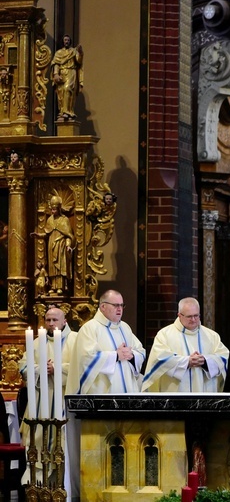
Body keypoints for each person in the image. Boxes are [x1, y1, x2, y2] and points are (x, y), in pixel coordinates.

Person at [19, 306, 78, 482]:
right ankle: (38, 486)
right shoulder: (36, 342)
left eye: (55, 320)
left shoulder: (76, 340)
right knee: (37, 443)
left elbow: (82, 366)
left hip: (64, 402)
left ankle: (63, 485)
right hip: (39, 403)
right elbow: (23, 366)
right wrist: (40, 369)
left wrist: (58, 368)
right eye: (48, 320)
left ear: (64, 321)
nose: (51, 323)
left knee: (66, 445)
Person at [142, 297, 230, 392]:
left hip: (204, 394)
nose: (193, 319)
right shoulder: (165, 335)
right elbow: (159, 359)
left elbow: (223, 357)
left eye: (196, 315)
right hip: (175, 396)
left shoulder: (211, 335)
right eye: (189, 316)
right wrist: (187, 362)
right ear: (179, 315)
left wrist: (205, 361)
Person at [66, 290, 145, 394]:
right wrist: (116, 356)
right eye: (116, 305)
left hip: (127, 392)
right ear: (103, 307)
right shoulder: (90, 328)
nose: (120, 309)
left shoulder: (125, 328)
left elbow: (140, 351)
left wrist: (132, 355)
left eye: (122, 305)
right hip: (101, 393)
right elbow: (86, 359)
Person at [32, 196, 74, 295]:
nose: (52, 211)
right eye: (51, 209)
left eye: (54, 209)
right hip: (51, 245)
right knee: (52, 267)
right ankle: (53, 286)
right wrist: (38, 235)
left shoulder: (65, 219)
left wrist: (68, 245)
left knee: (60, 266)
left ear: (59, 208)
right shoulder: (50, 220)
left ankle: (61, 287)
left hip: (61, 245)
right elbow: (46, 233)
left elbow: (69, 235)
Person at [51, 34, 83, 120]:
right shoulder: (59, 53)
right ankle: (63, 112)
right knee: (61, 93)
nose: (67, 42)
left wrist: (80, 52)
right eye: (65, 40)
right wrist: (56, 74)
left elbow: (79, 61)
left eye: (68, 40)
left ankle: (67, 111)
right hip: (61, 73)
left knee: (68, 89)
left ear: (70, 42)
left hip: (71, 72)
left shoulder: (73, 51)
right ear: (63, 41)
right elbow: (56, 63)